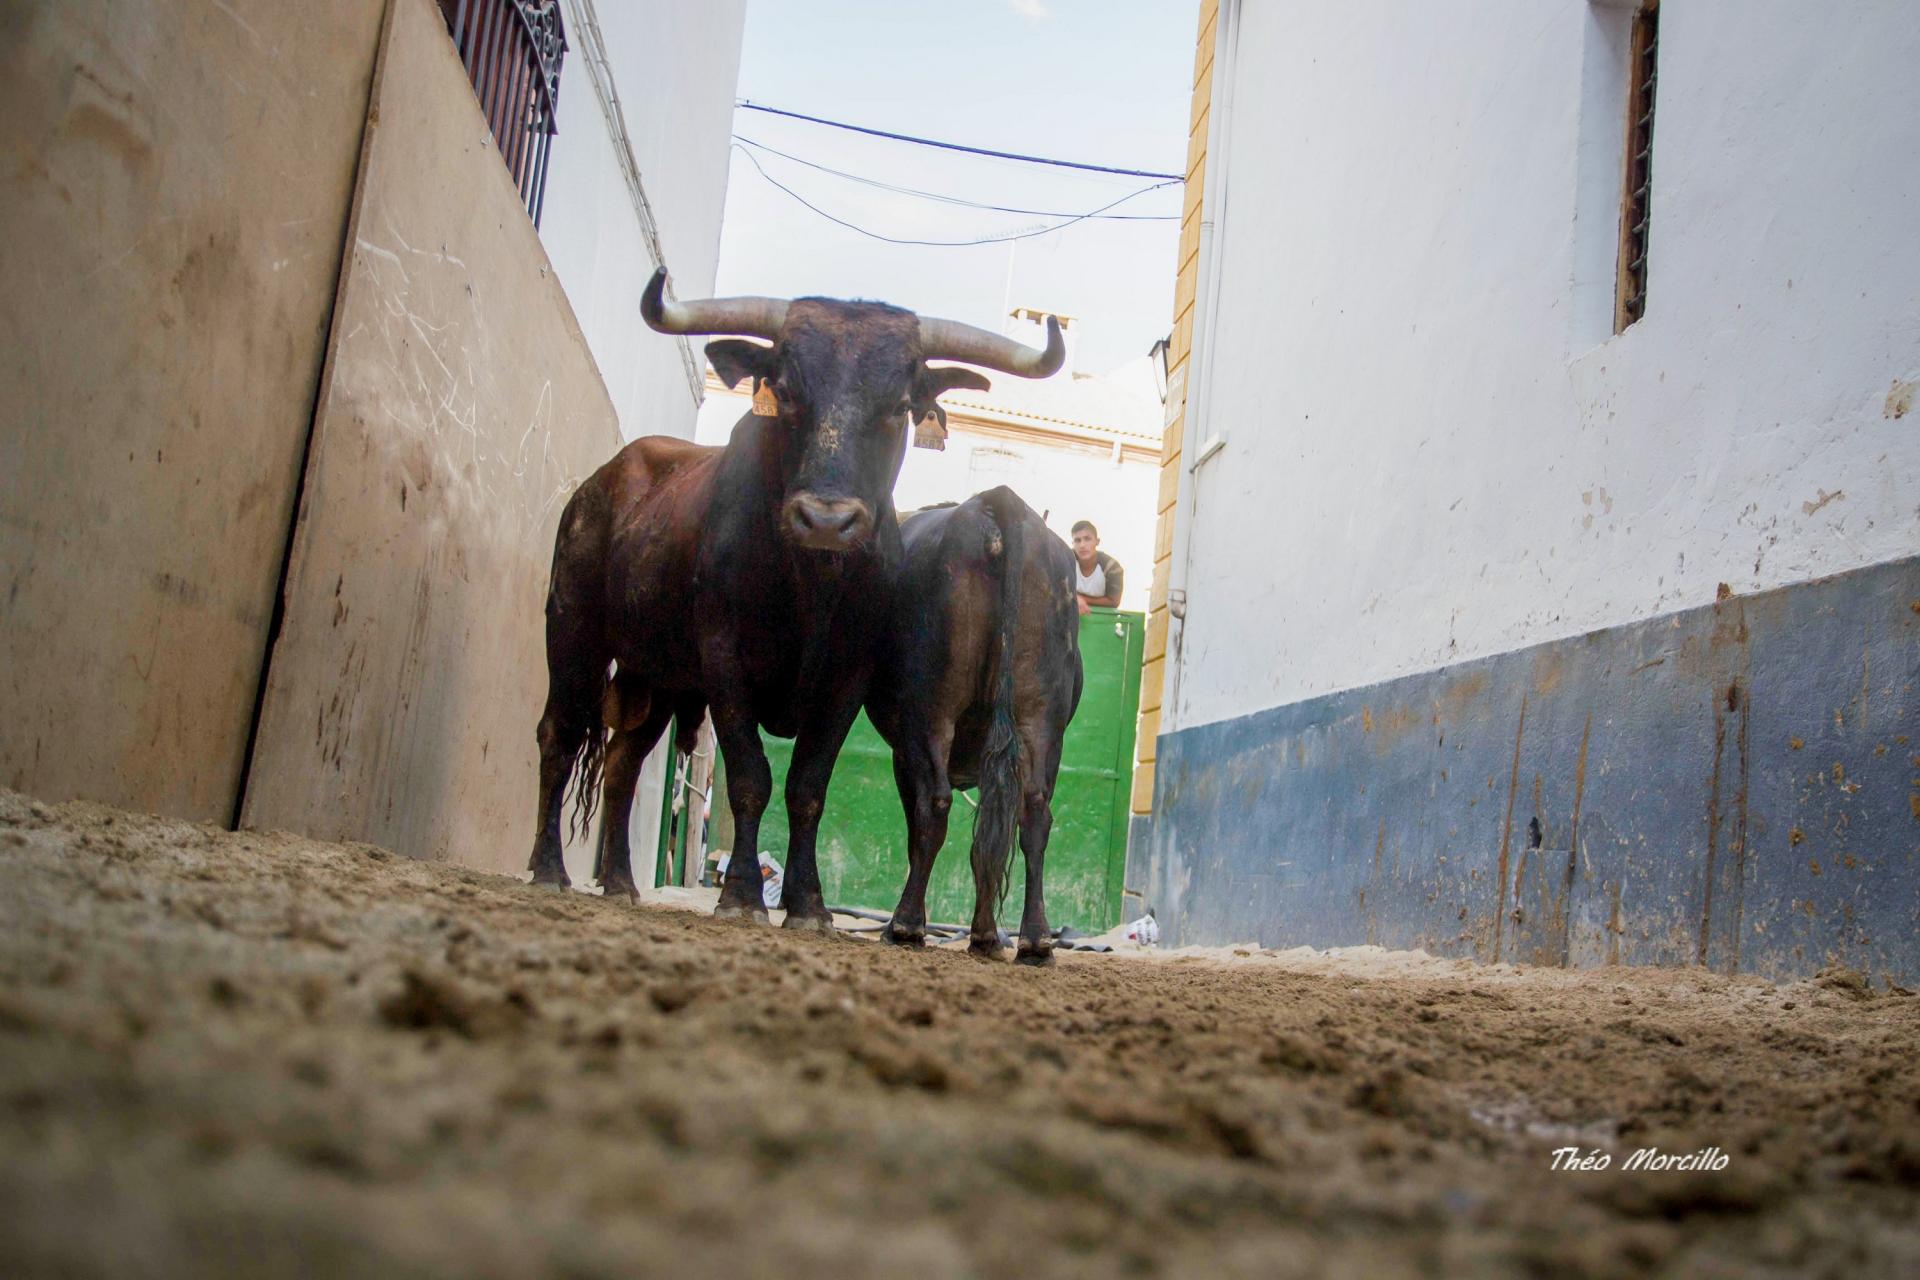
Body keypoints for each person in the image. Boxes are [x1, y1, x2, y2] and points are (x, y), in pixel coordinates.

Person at [1069, 520, 1124, 616]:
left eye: (1087, 539)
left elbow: (1114, 601)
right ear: (1072, 543)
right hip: (1068, 618)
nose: (1082, 545)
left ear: (1097, 541)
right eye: (1077, 540)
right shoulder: (1066, 560)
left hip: (1102, 620)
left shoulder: (1111, 567)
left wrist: (1078, 598)